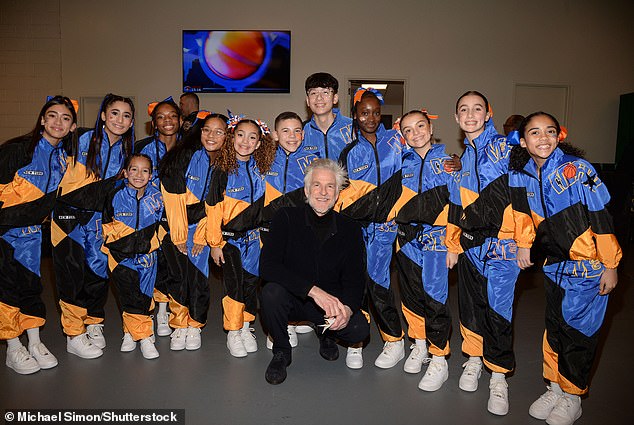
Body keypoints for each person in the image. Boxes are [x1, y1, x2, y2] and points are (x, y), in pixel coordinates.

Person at [509, 112, 621, 425]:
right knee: (555, 330)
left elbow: (601, 216)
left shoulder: (577, 170)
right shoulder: (521, 174)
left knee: (578, 334)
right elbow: (521, 216)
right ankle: (556, 386)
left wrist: (610, 265)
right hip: (554, 268)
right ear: (523, 141)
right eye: (534, 132)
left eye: (549, 131)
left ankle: (573, 396)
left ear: (560, 135)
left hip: (588, 267)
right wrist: (522, 244)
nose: (542, 138)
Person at [260, 158, 369, 384]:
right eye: (316, 185)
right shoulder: (286, 218)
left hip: (328, 309)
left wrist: (346, 310)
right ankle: (282, 350)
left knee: (359, 329)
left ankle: (326, 333)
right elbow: (268, 267)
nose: (323, 192)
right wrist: (313, 291)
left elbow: (356, 279)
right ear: (307, 190)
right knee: (270, 293)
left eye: (330, 186)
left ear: (338, 193)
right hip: (294, 300)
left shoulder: (350, 228)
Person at [446, 90, 520, 415]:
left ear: (488, 113)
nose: (471, 114)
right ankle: (474, 359)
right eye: (464, 109)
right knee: (471, 305)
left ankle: (499, 376)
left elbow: (523, 196)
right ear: (457, 118)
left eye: (477, 109)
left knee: (499, 311)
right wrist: (452, 245)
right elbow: (454, 207)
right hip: (470, 248)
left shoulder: (508, 149)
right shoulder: (461, 162)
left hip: (503, 249)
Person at [53, 93, 134, 359]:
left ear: (132, 122)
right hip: (68, 219)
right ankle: (74, 333)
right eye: (114, 113)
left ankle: (94, 321)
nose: (119, 120)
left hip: (100, 221)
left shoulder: (127, 152)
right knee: (71, 273)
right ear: (102, 116)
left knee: (98, 273)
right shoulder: (78, 140)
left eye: (126, 115)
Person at [0, 96, 77, 374]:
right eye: (53, 116)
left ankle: (34, 342)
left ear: (72, 127)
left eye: (65, 118)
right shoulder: (17, 150)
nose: (58, 122)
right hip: (5, 234)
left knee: (31, 288)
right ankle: (13, 347)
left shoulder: (63, 159)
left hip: (33, 236)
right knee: (7, 292)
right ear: (43, 120)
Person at [392, 109, 460, 391]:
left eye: (420, 126)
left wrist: (454, 246)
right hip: (406, 240)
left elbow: (457, 205)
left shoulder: (448, 163)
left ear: (430, 129)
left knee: (435, 298)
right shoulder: (399, 163)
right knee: (410, 295)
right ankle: (418, 344)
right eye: (408, 129)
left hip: (436, 241)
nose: (415, 132)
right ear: (403, 136)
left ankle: (439, 356)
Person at [337, 88, 404, 369]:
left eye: (376, 112)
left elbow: (420, 165)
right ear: (355, 114)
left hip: (386, 230)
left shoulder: (397, 143)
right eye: (364, 112)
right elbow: (340, 197)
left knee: (380, 284)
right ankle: (357, 340)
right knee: (356, 285)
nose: (371, 117)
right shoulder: (349, 151)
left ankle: (394, 340)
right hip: (357, 230)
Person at [206, 116, 276, 358]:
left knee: (250, 284)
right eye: (240, 135)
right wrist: (215, 243)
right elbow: (213, 208)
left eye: (252, 137)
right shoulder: (221, 170)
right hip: (229, 241)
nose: (245, 141)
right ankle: (233, 331)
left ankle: (246, 325)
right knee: (233, 286)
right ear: (231, 137)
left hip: (254, 240)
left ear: (259, 144)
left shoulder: (262, 170)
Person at [159, 112, 227, 351]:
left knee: (198, 280)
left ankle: (195, 325)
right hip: (174, 230)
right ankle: (178, 325)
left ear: (226, 137)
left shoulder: (223, 163)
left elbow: (216, 205)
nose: (212, 135)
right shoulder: (184, 155)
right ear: (199, 130)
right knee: (177, 278)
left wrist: (202, 236)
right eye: (207, 129)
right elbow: (172, 198)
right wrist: (179, 236)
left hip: (202, 232)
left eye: (219, 131)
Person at [262, 111, 320, 348]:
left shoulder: (313, 159)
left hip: (301, 232)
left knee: (300, 275)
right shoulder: (263, 158)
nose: (292, 136)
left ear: (303, 134)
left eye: (297, 130)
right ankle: (279, 326)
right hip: (269, 231)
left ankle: (297, 319)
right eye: (285, 131)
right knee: (273, 279)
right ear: (275, 135)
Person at [102, 153, 163, 359]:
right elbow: (103, 223)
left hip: (148, 255)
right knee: (128, 293)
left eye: (144, 170)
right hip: (120, 256)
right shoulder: (114, 194)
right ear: (125, 172)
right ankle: (144, 336)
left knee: (145, 295)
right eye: (134, 169)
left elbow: (163, 225)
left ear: (151, 174)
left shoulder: (157, 197)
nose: (139, 174)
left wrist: (155, 244)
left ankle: (130, 330)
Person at [136, 97, 181, 337]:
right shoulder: (143, 147)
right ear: (153, 123)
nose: (168, 121)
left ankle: (171, 311)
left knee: (175, 266)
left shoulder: (190, 147)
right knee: (153, 264)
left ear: (180, 120)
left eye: (172, 116)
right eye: (161, 117)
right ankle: (158, 311)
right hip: (150, 216)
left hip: (179, 217)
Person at [303, 72, 353, 161]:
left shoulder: (353, 128)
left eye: (325, 92)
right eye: (313, 93)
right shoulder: (301, 131)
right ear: (307, 101)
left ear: (335, 98)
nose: (319, 98)